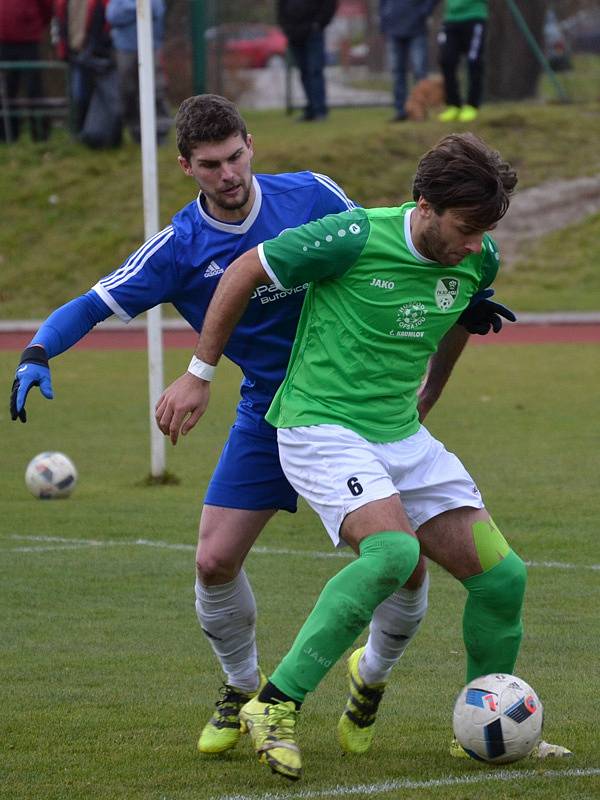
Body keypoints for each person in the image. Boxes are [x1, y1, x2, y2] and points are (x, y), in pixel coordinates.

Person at [163, 132, 572, 780]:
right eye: (466, 228)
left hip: (400, 435)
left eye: (486, 231)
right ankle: (275, 703)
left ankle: (481, 732)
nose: (475, 244)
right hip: (319, 427)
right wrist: (199, 371)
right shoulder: (352, 236)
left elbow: (466, 312)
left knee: (503, 578)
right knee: (394, 553)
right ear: (425, 205)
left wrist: (432, 393)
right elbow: (246, 270)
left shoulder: (479, 256)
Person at [9, 92, 370, 756]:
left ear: (251, 144)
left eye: (235, 157)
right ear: (186, 167)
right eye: (210, 165)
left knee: (394, 558)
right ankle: (241, 688)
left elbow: (384, 252)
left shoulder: (313, 197)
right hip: (268, 411)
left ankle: (368, 677)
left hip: (353, 403)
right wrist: (37, 351)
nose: (228, 175)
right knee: (212, 560)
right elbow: (91, 304)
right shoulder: (179, 246)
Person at [55, 0, 122, 147]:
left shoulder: (101, 3)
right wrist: (63, 49)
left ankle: (104, 136)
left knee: (104, 97)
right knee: (79, 96)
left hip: (97, 54)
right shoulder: (64, 3)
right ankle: (80, 134)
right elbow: (61, 24)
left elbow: (108, 22)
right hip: (76, 54)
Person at [106, 0, 171, 144]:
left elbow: (154, 10)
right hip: (125, 49)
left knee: (156, 89)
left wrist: (130, 11)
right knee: (128, 90)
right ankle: (136, 131)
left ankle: (160, 132)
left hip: (151, 48)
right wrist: (138, 8)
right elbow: (113, 16)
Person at [0, 0, 53, 142]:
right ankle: (8, 135)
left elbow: (47, 9)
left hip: (29, 42)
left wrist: (34, 26)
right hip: (4, 41)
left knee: (34, 90)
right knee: (7, 90)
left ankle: (40, 135)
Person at [277, 0, 337, 122]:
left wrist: (318, 24)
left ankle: (319, 110)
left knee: (315, 71)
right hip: (294, 33)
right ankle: (311, 109)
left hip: (313, 33)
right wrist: (286, 27)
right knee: (304, 72)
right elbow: (280, 7)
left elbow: (330, 5)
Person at [379, 0, 439, 122]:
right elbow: (382, 4)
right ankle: (401, 111)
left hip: (416, 28)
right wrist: (384, 21)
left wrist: (422, 12)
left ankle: (421, 111)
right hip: (393, 29)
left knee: (419, 71)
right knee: (397, 72)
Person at [437, 0, 488, 122]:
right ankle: (453, 104)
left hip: (474, 17)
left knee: (473, 61)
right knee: (446, 61)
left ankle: (472, 105)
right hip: (451, 19)